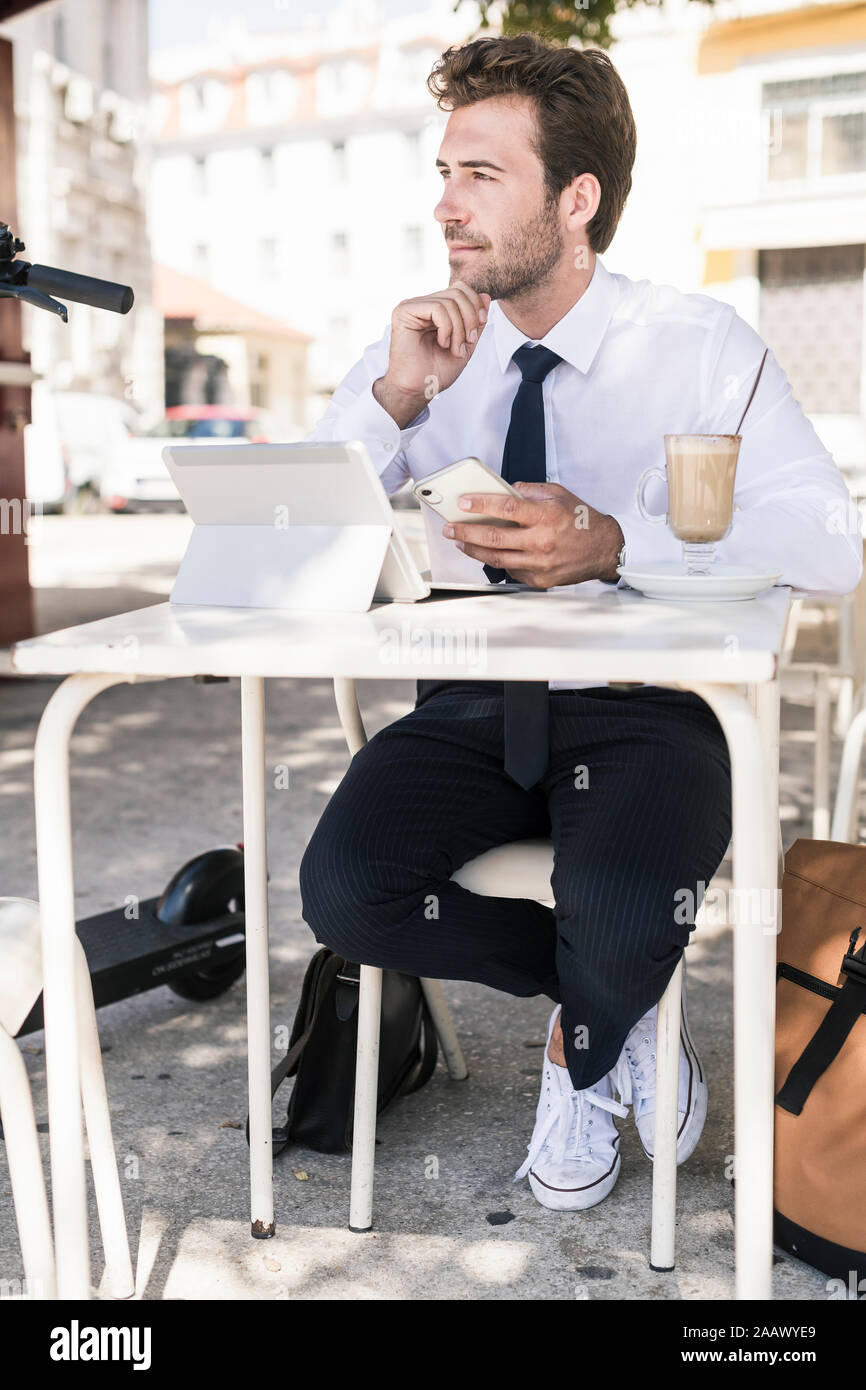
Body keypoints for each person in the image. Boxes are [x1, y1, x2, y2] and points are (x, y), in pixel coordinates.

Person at [298, 34, 861, 1211]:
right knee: (347, 892)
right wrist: (390, 400)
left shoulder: (698, 344)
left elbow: (827, 543)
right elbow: (296, 541)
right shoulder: (422, 349)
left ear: (576, 197)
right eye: (444, 171)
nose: (445, 205)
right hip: (468, 700)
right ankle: (603, 1007)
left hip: (648, 712)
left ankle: (584, 1039)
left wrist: (618, 545)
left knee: (619, 906)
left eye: (480, 176)